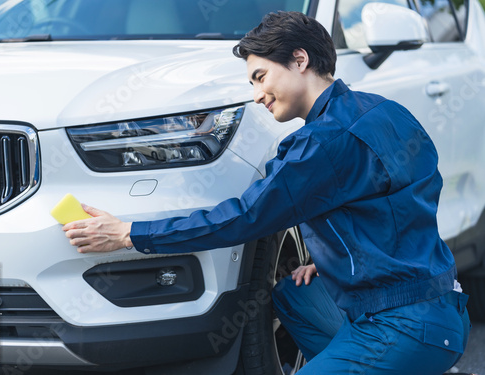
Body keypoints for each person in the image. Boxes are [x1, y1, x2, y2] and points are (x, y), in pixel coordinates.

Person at [63, 11, 470, 374]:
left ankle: (409, 360)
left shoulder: (321, 144)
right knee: (297, 292)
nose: (257, 95)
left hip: (403, 325)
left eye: (260, 77)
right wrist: (340, 262)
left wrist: (128, 233)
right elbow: (403, 199)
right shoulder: (384, 109)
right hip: (442, 306)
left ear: (299, 59)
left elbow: (243, 216)